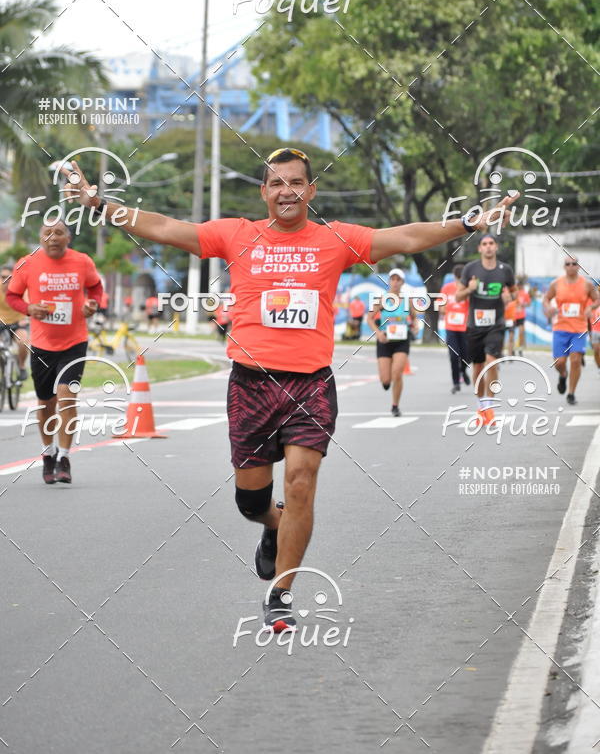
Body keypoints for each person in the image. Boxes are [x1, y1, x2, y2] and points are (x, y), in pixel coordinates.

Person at [62, 148, 517, 630]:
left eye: (296, 182)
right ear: (264, 192)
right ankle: (271, 527)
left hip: (311, 385)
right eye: (277, 183)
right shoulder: (237, 234)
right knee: (251, 503)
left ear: (311, 190)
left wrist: (467, 224)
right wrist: (98, 203)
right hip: (251, 386)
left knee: (301, 482)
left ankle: (281, 593)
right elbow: (167, 228)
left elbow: (404, 236)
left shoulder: (335, 239)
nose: (287, 191)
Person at [6, 221, 103, 483]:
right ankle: (48, 453)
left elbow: (95, 288)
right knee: (45, 403)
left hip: (75, 341)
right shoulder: (27, 263)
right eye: (46, 233)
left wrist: (93, 304)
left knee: (66, 396)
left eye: (58, 232)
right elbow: (13, 295)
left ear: (68, 237)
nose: (52, 238)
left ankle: (64, 456)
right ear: (40, 237)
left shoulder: (82, 261)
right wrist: (29, 309)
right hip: (41, 344)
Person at [455, 234, 517, 425]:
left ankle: (489, 406)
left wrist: (509, 299)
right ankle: (481, 405)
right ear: (480, 249)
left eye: (491, 244)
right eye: (484, 244)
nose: (488, 247)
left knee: (492, 361)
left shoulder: (505, 270)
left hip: (496, 324)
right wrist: (470, 289)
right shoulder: (470, 269)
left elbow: (514, 293)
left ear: (496, 247)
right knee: (478, 367)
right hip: (475, 325)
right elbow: (458, 297)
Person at [543, 257, 598, 404]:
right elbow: (546, 299)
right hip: (560, 328)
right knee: (560, 362)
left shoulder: (587, 285)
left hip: (579, 329)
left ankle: (571, 393)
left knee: (575, 360)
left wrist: (590, 307)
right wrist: (548, 308)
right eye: (568, 264)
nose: (571, 266)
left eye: (574, 264)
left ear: (578, 267)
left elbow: (597, 299)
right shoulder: (556, 284)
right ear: (564, 267)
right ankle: (563, 375)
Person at [366, 269, 417, 416]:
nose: (395, 282)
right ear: (389, 282)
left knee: (397, 374)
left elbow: (414, 317)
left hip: (402, 340)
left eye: (398, 280)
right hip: (385, 339)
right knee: (386, 379)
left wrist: (415, 325)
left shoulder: (407, 301)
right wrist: (378, 333)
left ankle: (395, 405)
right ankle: (386, 383)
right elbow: (369, 319)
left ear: (402, 283)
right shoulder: (382, 299)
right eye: (392, 279)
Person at [439, 264, 470, 393]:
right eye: (457, 278)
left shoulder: (468, 290)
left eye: (461, 278)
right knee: (453, 355)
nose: (458, 282)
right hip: (451, 327)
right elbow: (440, 308)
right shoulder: (446, 288)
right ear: (454, 277)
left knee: (466, 355)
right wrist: (450, 308)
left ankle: (463, 370)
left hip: (465, 327)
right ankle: (456, 382)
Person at [0, 263, 29, 380]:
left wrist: (26, 318)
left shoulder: (20, 289)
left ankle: (21, 366)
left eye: (9, 278)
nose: (6, 280)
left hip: (18, 323)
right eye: (3, 277)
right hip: (1, 324)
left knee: (23, 342)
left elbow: (28, 303)